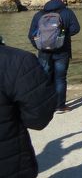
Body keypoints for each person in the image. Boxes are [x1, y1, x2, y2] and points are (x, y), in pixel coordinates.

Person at [0, 36, 57, 178]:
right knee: (61, 76)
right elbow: (38, 119)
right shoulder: (17, 60)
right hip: (10, 163)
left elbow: (33, 35)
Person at [28, 0, 81, 112]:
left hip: (44, 52)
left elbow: (31, 35)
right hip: (63, 51)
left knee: (44, 77)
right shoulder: (67, 12)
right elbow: (76, 29)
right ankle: (60, 106)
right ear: (62, 1)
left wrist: (40, 46)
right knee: (60, 78)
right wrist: (62, 36)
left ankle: (45, 105)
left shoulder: (39, 14)